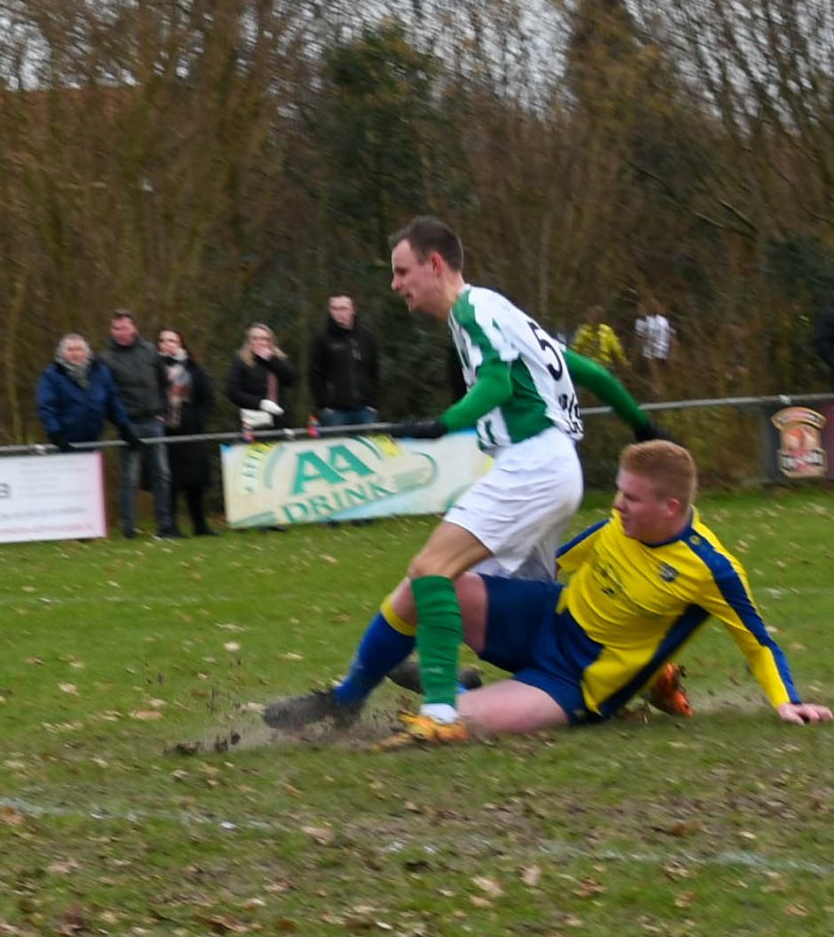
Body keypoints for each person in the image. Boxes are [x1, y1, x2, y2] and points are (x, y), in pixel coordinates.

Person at [265, 216, 662, 745]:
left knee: (431, 570)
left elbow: (497, 383)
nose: (395, 284)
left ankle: (441, 711)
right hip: (552, 467)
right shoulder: (498, 311)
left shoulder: (474, 311)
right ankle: (357, 696)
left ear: (434, 264)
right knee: (446, 597)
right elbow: (590, 372)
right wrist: (644, 425)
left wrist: (444, 424)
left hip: (533, 464)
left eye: (402, 271)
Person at [352, 443, 829, 744]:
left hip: (575, 678)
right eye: (619, 492)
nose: (617, 504)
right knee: (426, 584)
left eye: (631, 498)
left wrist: (787, 700)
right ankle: (346, 696)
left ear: (671, 507)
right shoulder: (618, 525)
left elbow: (757, 643)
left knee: (451, 722)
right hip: (544, 618)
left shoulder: (712, 569)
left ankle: (458, 687)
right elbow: (557, 563)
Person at [97, 311, 174, 539]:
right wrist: (121, 424)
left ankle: (165, 525)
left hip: (154, 422)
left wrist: (164, 410)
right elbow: (106, 397)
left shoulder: (150, 351)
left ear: (134, 328)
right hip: (128, 424)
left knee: (162, 474)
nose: (121, 332)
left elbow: (163, 382)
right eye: (116, 328)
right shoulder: (106, 359)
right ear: (111, 331)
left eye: (125, 327)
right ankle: (128, 528)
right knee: (129, 478)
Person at [158, 328, 217, 537]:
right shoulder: (154, 369)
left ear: (181, 344)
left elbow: (207, 398)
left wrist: (197, 420)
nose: (168, 344)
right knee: (169, 482)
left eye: (172, 340)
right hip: (165, 433)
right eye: (163, 340)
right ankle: (170, 526)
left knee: (195, 482)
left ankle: (200, 525)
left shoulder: (194, 369)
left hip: (191, 432)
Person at [35, 334, 134, 451]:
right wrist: (55, 433)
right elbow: (46, 408)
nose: (75, 354)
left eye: (79, 349)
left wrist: (123, 426)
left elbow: (113, 402)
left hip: (93, 442)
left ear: (87, 352)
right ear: (61, 353)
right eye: (70, 349)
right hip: (63, 443)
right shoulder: (51, 376)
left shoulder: (101, 372)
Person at [308, 295, 382, 430]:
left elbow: (374, 371)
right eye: (334, 308)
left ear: (353, 310)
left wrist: (373, 404)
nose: (339, 313)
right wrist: (323, 405)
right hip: (334, 412)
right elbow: (315, 374)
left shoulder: (366, 337)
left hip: (365, 410)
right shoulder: (322, 339)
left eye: (343, 308)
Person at [225, 324, 298, 436]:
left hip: (279, 419)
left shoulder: (278, 359)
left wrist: (272, 359)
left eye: (265, 339)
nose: (261, 342)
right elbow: (232, 391)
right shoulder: (241, 361)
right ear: (249, 341)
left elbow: (291, 379)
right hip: (252, 420)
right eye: (255, 338)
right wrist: (260, 403)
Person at [570, 306, 628, 378]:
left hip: (602, 369)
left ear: (601, 318)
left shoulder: (607, 332)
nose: (594, 319)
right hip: (585, 366)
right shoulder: (583, 331)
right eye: (593, 315)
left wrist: (625, 366)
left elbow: (618, 352)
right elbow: (574, 350)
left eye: (597, 316)